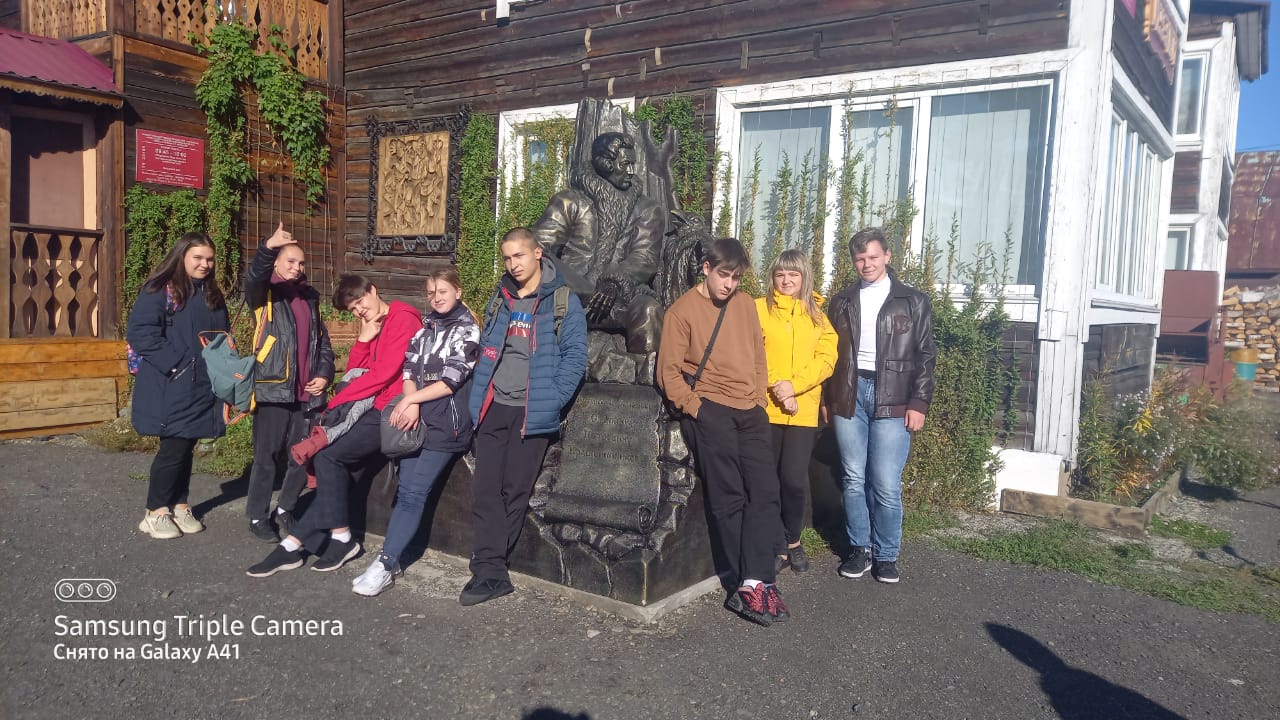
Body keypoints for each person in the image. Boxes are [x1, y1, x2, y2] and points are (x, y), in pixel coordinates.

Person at [247, 274, 422, 577]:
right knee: (340, 475)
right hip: (373, 407)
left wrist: (338, 399)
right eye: (353, 309)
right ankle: (294, 544)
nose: (359, 310)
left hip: (391, 410)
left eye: (360, 302)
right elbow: (356, 370)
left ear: (373, 290)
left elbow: (382, 374)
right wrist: (364, 339)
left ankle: (337, 539)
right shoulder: (376, 324)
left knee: (328, 457)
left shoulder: (403, 318)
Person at [657, 237, 789, 626]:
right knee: (729, 495)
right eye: (724, 275)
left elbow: (758, 354)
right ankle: (744, 584)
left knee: (765, 493)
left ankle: (760, 580)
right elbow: (668, 374)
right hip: (710, 408)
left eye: (736, 278)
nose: (729, 284)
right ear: (707, 269)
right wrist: (698, 409)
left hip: (750, 410)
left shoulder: (745, 305)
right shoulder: (681, 312)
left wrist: (759, 400)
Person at [461, 227, 588, 606]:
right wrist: (480, 391)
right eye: (507, 258)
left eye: (519, 255)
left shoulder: (562, 301)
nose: (513, 264)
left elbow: (575, 357)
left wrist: (552, 400)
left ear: (537, 254)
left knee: (514, 490)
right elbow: (489, 346)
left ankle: (490, 568)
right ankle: (491, 569)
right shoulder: (501, 299)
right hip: (495, 405)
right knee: (485, 490)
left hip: (532, 410)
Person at [351, 266, 480, 597]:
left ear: (458, 292)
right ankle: (388, 560)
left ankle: (385, 563)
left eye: (443, 292)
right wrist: (411, 403)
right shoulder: (426, 328)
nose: (436, 298)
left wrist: (412, 402)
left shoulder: (468, 330)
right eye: (431, 293)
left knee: (413, 493)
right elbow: (409, 368)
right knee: (406, 490)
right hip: (417, 419)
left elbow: (452, 380)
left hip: (446, 425)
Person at [826, 228, 936, 584]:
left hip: (895, 396)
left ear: (887, 256)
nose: (867, 264)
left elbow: (925, 355)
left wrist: (919, 402)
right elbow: (828, 354)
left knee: (886, 482)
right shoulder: (841, 301)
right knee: (853, 478)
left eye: (873, 257)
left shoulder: (913, 301)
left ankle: (886, 554)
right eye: (860, 259)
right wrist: (828, 399)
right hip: (850, 394)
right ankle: (860, 549)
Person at [128, 232, 229, 539]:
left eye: (209, 259)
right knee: (174, 447)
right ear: (181, 256)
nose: (205, 264)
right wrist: (177, 364)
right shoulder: (160, 289)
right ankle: (155, 511)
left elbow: (221, 337)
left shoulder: (211, 294)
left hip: (203, 384)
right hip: (171, 384)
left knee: (187, 446)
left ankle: (179, 504)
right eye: (198, 258)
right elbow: (141, 333)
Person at [242, 222, 335, 542]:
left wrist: (324, 374)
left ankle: (285, 509)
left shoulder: (309, 296)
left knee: (301, 454)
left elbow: (323, 343)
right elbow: (254, 276)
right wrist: (267, 248)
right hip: (273, 386)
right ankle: (257, 515)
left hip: (306, 392)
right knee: (266, 456)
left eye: (301, 262)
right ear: (277, 264)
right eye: (290, 261)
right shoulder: (264, 293)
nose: (297, 267)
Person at [533, 131, 665, 353]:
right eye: (625, 164)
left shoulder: (647, 209)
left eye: (633, 164)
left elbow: (644, 258)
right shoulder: (569, 202)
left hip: (619, 299)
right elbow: (538, 250)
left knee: (648, 311)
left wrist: (614, 282)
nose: (631, 172)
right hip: (568, 297)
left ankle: (645, 372)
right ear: (606, 164)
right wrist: (577, 288)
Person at [755, 249, 838, 574]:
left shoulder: (818, 317)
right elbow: (750, 353)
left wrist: (794, 387)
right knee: (767, 481)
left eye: (793, 274)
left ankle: (793, 540)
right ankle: (778, 545)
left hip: (802, 412)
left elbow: (826, 360)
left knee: (792, 480)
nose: (786, 280)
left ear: (805, 277)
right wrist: (778, 386)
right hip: (765, 409)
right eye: (780, 274)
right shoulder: (757, 309)